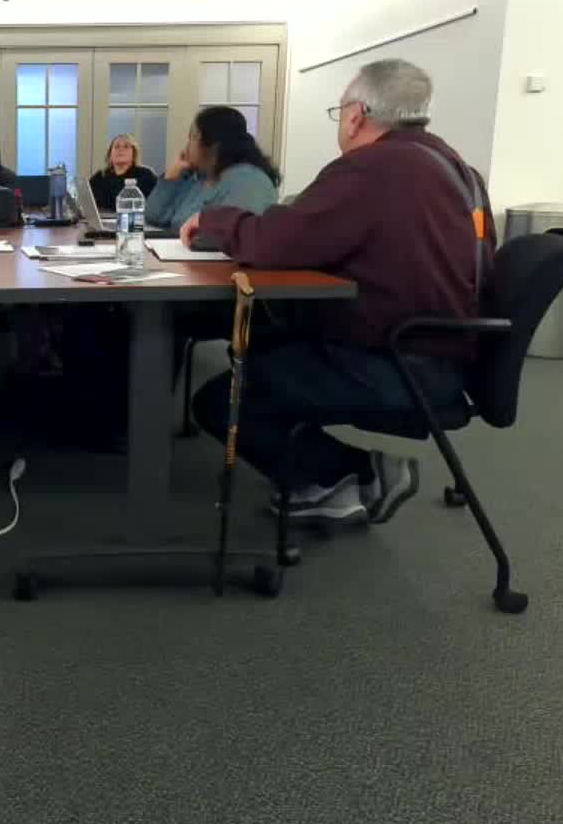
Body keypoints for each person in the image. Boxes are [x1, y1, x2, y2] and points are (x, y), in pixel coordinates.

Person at [182, 59, 493, 527]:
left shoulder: (372, 168)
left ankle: (355, 471)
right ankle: (324, 481)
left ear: (355, 115)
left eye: (340, 111)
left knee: (221, 399)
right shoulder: (458, 169)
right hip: (448, 352)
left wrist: (212, 221)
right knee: (265, 341)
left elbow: (276, 242)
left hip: (399, 362)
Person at [145, 106, 281, 231]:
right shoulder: (197, 178)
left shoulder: (249, 181)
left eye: (192, 137)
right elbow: (153, 216)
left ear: (209, 142)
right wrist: (170, 178)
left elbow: (238, 234)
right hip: (181, 248)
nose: (186, 146)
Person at [89, 133, 158, 212]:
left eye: (126, 146)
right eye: (116, 146)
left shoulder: (146, 175)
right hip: (103, 218)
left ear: (134, 154)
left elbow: (156, 206)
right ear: (110, 154)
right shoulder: (100, 176)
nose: (120, 149)